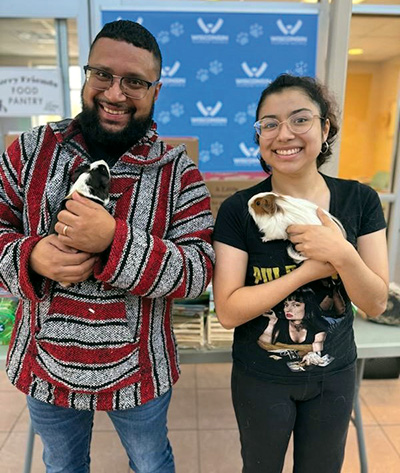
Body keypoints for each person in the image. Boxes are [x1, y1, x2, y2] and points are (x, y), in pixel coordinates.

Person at [0, 20, 214, 473]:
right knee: (62, 466)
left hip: (140, 373)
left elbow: (197, 271)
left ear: (156, 89)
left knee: (151, 464)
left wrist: (114, 241)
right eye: (103, 75)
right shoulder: (30, 150)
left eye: (134, 82)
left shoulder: (178, 172)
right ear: (86, 76)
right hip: (44, 366)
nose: (115, 94)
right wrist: (31, 256)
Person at [212, 73, 388, 473]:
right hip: (261, 378)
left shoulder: (359, 201)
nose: (284, 134)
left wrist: (342, 253)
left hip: (333, 375)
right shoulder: (241, 210)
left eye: (300, 119)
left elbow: (376, 302)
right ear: (259, 137)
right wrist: (306, 272)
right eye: (269, 124)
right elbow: (228, 311)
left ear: (325, 128)